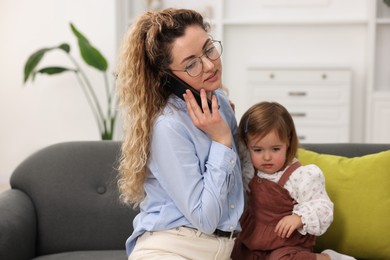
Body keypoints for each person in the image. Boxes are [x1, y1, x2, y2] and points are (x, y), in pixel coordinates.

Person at [116, 8, 244, 260]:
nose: (209, 65)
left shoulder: (218, 103)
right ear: (167, 77)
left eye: (209, 49)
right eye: (191, 64)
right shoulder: (167, 125)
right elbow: (206, 219)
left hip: (220, 250)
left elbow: (242, 186)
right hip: (172, 248)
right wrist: (221, 141)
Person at [231, 101, 356, 260]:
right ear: (248, 146)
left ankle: (327, 258)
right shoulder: (250, 169)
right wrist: (227, 114)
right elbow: (234, 143)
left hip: (287, 243)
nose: (267, 157)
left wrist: (299, 218)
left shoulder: (299, 176)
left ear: (288, 141)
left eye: (275, 149)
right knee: (237, 253)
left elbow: (323, 207)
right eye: (258, 150)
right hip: (255, 238)